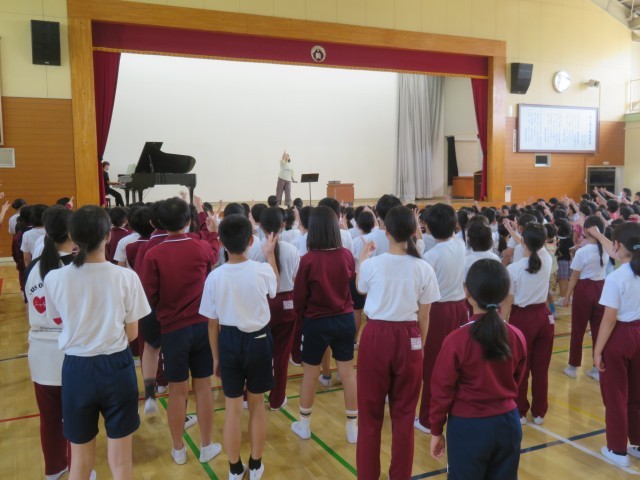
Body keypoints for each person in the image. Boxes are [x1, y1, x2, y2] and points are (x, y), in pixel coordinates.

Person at [43, 205, 150, 480]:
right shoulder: (127, 277)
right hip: (117, 367)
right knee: (121, 462)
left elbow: (58, 318)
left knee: (79, 462)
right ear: (108, 236)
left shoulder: (54, 278)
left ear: (72, 236)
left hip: (77, 369)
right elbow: (133, 334)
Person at [356, 206, 439, 480]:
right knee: (404, 417)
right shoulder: (423, 268)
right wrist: (420, 347)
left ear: (386, 231)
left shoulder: (372, 265)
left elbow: (360, 288)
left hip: (376, 336)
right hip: (409, 338)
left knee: (370, 416)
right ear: (415, 231)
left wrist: (362, 259)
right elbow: (424, 316)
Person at [138, 197, 221, 465]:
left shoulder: (154, 254)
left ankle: (178, 449)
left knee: (177, 390)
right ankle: (206, 445)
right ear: (188, 220)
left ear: (160, 222)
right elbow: (214, 249)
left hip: (173, 330)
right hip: (202, 326)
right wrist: (209, 228)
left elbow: (148, 296)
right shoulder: (199, 246)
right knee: (204, 387)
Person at [430, 259, 527, 479]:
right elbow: (517, 379)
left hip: (469, 427)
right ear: (504, 293)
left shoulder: (457, 340)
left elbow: (442, 389)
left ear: (467, 292)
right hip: (508, 423)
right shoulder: (516, 335)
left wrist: (436, 429)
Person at [200, 214, 279, 480]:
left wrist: (215, 357)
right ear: (250, 241)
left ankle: (235, 469)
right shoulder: (262, 270)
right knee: (256, 404)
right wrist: (270, 255)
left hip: (229, 341)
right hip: (258, 340)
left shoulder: (214, 277)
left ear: (221, 242)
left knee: (232, 408)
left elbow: (212, 323)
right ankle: (255, 466)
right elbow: (275, 288)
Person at [291, 206, 358, 443]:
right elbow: (350, 280)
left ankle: (304, 425)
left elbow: (299, 297)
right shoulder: (346, 255)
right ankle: (352, 428)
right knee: (347, 373)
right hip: (345, 319)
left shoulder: (308, 260)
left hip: (316, 321)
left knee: (310, 374)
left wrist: (301, 318)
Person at [24, 206, 77, 480]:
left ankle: (54, 469)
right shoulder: (76, 267)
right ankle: (80, 469)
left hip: (39, 351)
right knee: (77, 419)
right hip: (69, 351)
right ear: (72, 233)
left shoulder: (32, 267)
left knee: (49, 419)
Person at [415, 203, 468, 434]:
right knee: (457, 363)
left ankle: (428, 419)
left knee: (432, 365)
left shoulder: (431, 256)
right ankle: (455, 410)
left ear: (427, 227)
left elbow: (421, 289)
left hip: (438, 311)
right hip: (460, 307)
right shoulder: (460, 244)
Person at [592, 222, 640, 467]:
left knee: (615, 395)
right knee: (636, 393)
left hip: (620, 335)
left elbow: (609, 319)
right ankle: (638, 442)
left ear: (618, 245)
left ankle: (618, 449)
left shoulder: (615, 277)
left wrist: (597, 350)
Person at [248, 207, 300, 410]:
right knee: (281, 355)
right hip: (287, 303)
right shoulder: (292, 250)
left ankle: (248, 396)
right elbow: (295, 278)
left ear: (260, 225)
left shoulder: (254, 250)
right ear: (283, 225)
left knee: (256, 352)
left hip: (262, 302)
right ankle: (277, 399)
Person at [502, 223, 553, 425]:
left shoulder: (513, 269)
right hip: (544, 317)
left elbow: (507, 303)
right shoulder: (547, 259)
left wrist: (502, 323)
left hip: (522, 318)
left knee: (520, 367)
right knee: (541, 368)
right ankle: (539, 412)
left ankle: (520, 411)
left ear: (522, 241)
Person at [562, 216, 608, 381]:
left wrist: (567, 296)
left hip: (584, 289)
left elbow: (574, 276)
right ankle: (597, 368)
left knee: (578, 329)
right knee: (599, 331)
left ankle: (573, 366)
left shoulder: (582, 251)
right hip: (601, 289)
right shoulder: (606, 248)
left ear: (587, 231)